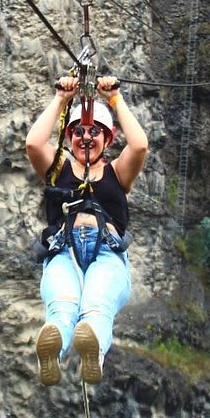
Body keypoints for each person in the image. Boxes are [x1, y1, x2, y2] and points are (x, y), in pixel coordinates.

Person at [25, 75, 148, 385]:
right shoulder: (58, 168)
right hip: (63, 250)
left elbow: (140, 145)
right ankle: (52, 350)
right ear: (69, 137)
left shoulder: (117, 171)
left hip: (107, 252)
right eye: (78, 132)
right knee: (63, 307)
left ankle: (93, 351)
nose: (86, 137)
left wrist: (115, 100)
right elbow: (33, 143)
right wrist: (60, 100)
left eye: (95, 131)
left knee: (95, 307)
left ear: (108, 138)